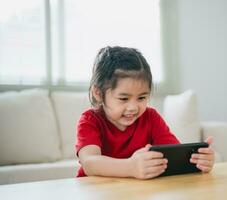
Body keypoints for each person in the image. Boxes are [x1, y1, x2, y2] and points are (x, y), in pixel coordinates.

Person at [76, 46, 215, 179]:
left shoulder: (151, 117)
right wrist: (130, 167)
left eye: (141, 98)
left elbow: (174, 155)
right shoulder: (90, 120)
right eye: (124, 98)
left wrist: (198, 160)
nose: (133, 107)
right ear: (98, 93)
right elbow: (89, 163)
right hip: (94, 191)